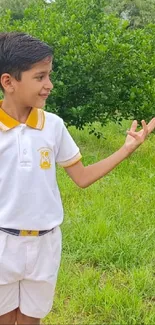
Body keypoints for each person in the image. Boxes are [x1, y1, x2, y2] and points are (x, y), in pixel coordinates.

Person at [0, 32, 154, 325]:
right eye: (40, 77)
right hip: (2, 242)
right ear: (9, 82)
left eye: (49, 76)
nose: (49, 86)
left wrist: (126, 148)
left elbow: (82, 177)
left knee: (32, 320)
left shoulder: (53, 126)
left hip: (45, 244)